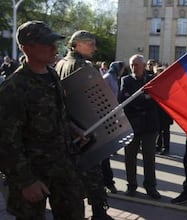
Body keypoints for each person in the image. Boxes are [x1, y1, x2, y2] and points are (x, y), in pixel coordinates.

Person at [0, 20, 84, 219]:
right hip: (33, 173)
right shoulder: (13, 89)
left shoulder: (52, 75)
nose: (54, 47)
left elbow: (55, 113)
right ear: (26, 48)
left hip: (63, 168)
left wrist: (72, 128)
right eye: (46, 43)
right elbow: (6, 142)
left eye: (53, 42)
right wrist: (26, 181)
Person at [55, 30, 114, 220]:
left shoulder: (61, 64)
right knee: (94, 175)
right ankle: (98, 212)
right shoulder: (83, 66)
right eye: (90, 43)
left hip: (69, 129)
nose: (94, 48)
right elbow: (96, 101)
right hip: (87, 130)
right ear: (77, 44)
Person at [118, 54, 161, 199]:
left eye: (137, 65)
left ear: (143, 65)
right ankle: (131, 186)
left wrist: (139, 100)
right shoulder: (126, 80)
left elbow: (155, 100)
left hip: (150, 125)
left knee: (149, 158)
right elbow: (124, 100)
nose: (134, 68)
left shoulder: (151, 80)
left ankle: (151, 187)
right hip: (132, 126)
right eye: (132, 65)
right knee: (130, 157)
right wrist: (144, 99)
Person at [101, 61, 126, 193]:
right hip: (105, 116)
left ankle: (107, 181)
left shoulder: (114, 78)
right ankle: (107, 182)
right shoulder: (107, 78)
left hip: (112, 115)